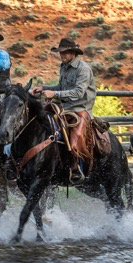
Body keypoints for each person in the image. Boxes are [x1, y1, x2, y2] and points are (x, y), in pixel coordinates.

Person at [31, 38, 96, 183]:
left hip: (81, 108)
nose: (62, 56)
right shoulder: (64, 66)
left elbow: (78, 93)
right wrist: (44, 88)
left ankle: (76, 167)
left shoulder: (83, 69)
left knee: (74, 139)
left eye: (65, 53)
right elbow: (61, 87)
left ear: (73, 53)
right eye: (61, 53)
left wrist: (54, 94)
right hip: (65, 108)